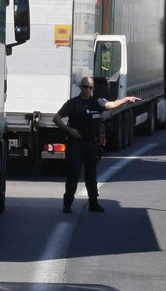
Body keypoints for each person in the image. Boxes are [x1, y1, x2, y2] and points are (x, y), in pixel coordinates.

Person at [52, 77, 139, 214]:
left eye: (90, 87)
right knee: (73, 174)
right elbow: (56, 119)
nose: (87, 90)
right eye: (85, 87)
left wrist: (125, 100)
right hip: (76, 143)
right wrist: (70, 131)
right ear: (80, 87)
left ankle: (93, 203)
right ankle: (67, 203)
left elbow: (111, 105)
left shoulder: (97, 102)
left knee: (91, 175)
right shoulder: (72, 103)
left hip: (92, 143)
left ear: (93, 89)